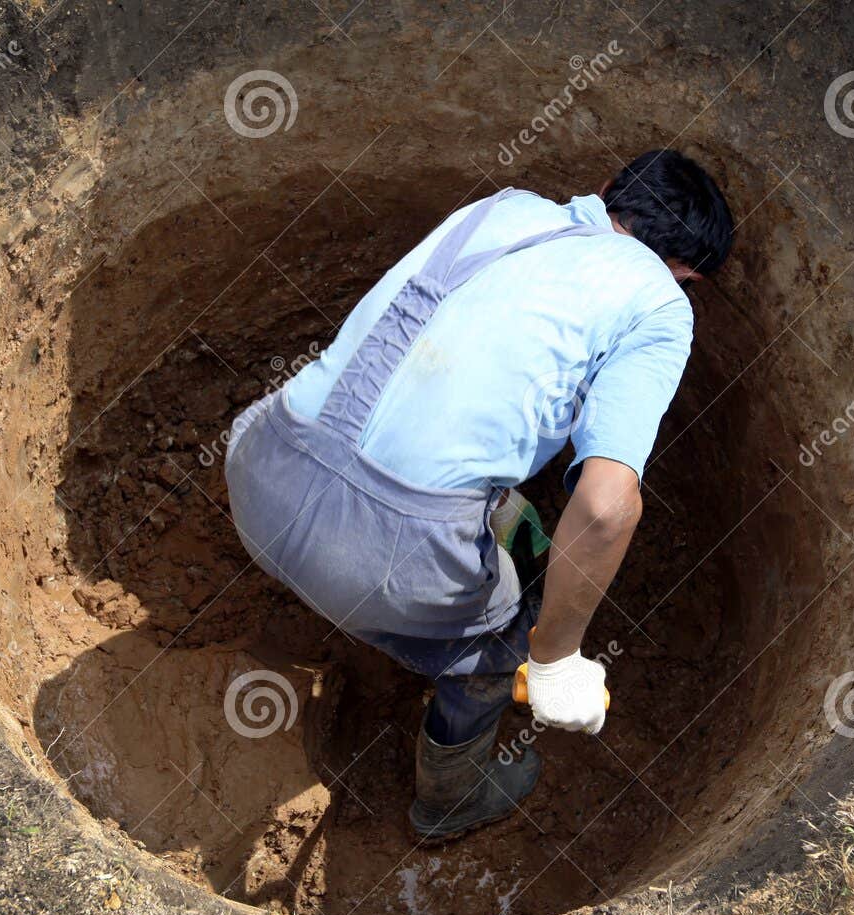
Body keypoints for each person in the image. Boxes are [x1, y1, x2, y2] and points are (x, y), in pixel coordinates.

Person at [225, 149, 734, 841]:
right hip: (380, 563)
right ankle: (451, 796)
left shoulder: (504, 207)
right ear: (686, 272)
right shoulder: (660, 303)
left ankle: (421, 577)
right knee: (509, 638)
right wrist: (555, 659)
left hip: (261, 471)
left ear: (609, 187)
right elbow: (605, 508)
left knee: (507, 516)